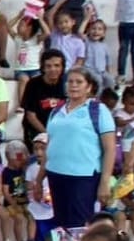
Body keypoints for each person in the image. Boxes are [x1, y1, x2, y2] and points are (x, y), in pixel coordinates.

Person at [44, 67, 115, 228]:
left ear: (89, 87)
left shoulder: (98, 110)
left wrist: (105, 182)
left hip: (83, 176)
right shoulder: (56, 111)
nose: (73, 85)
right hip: (56, 173)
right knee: (60, 224)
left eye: (79, 82)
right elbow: (50, 144)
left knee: (79, 224)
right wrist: (40, 176)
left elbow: (110, 148)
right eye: (70, 81)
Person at [21, 49, 66, 147]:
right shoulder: (33, 84)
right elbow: (31, 116)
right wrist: (48, 134)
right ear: (43, 67)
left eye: (57, 65)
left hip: (61, 130)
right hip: (37, 130)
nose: (53, 69)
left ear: (62, 67)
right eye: (48, 66)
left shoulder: (67, 84)